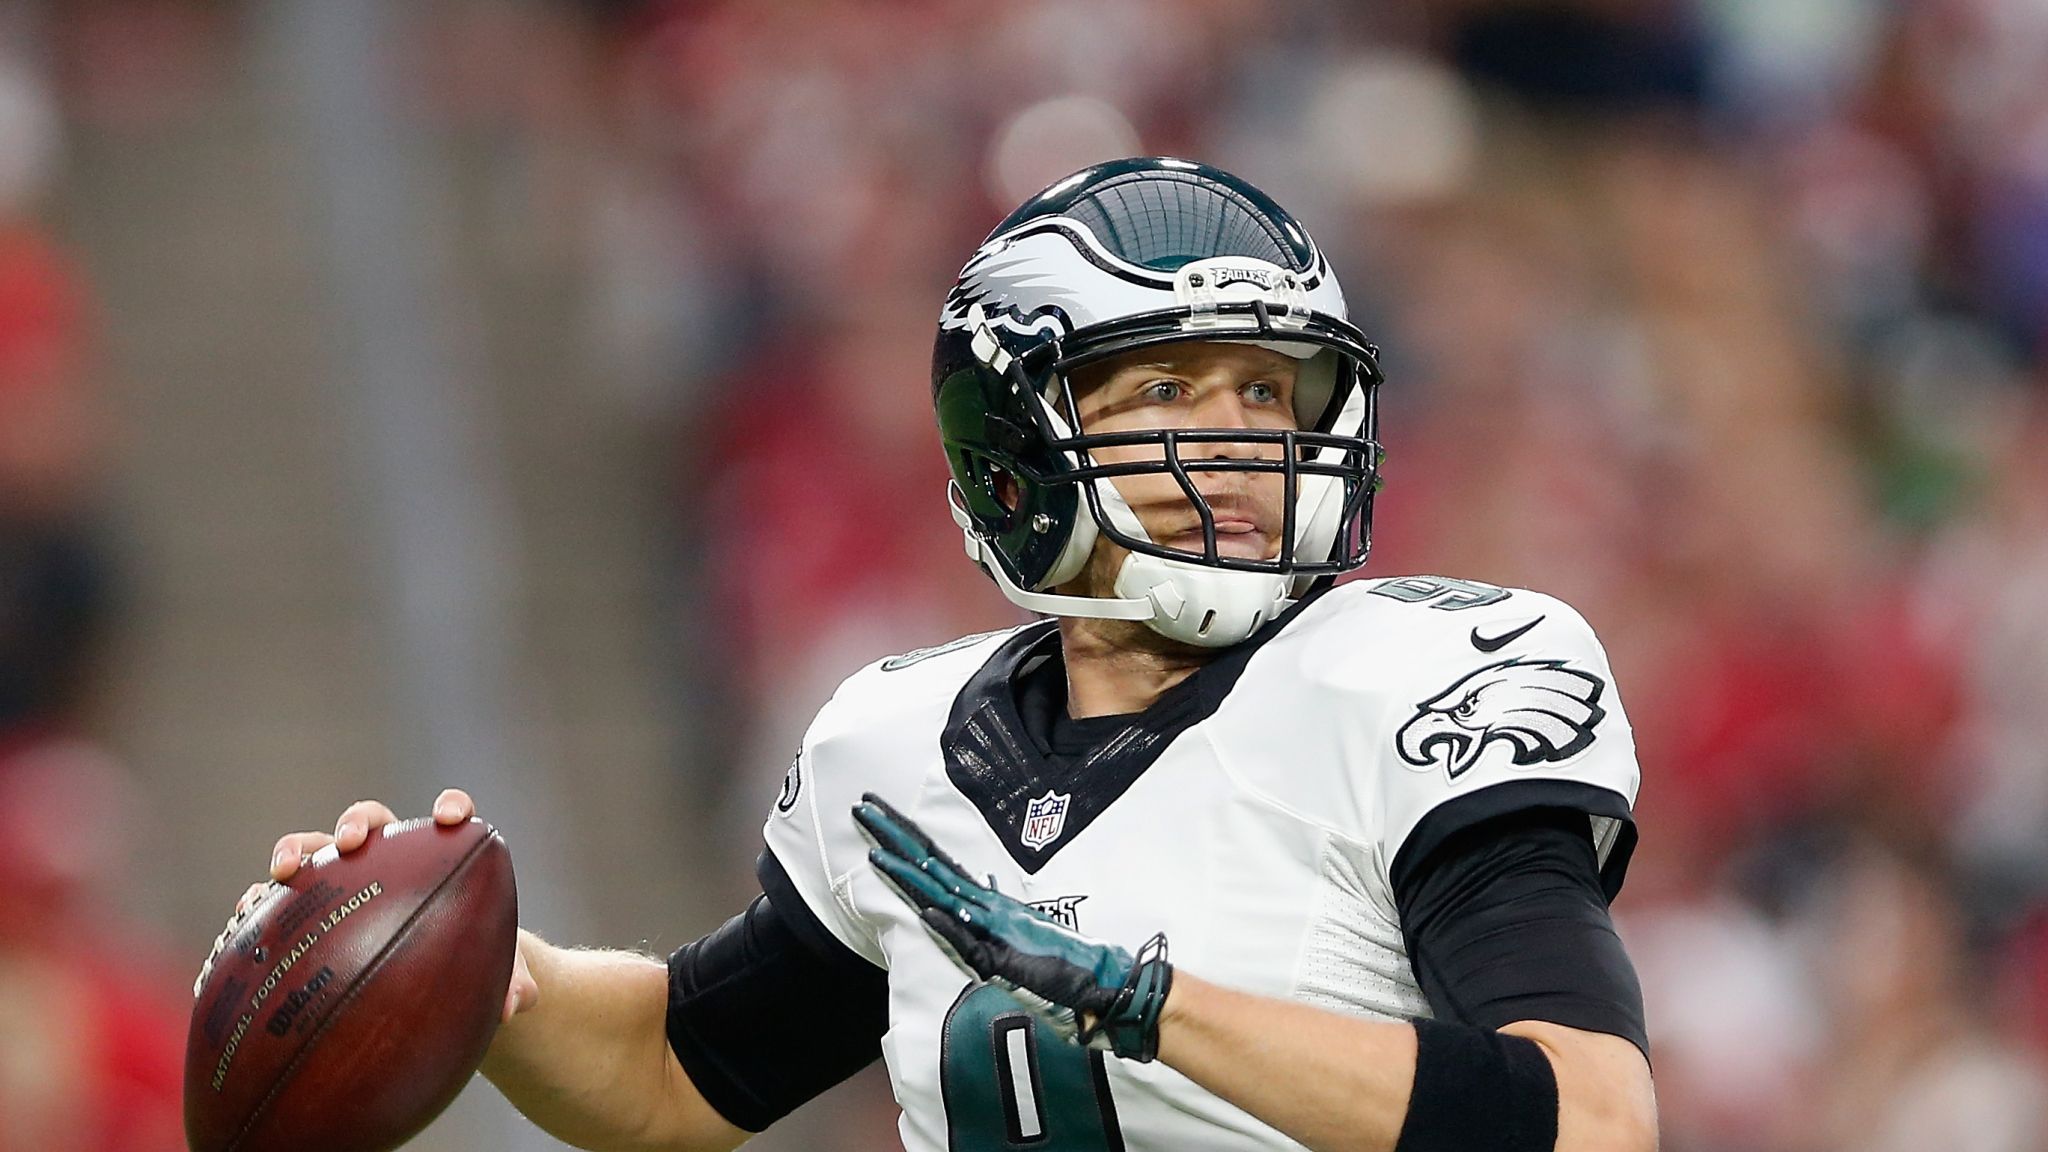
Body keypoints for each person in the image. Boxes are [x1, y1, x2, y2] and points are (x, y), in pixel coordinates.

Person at [228, 158, 1657, 1152]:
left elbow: (1586, 1121)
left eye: (1268, 394)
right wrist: (483, 974)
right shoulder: (899, 744)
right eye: (1167, 388)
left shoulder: (1419, 678)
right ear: (1017, 445)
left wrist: (1153, 1009)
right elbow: (682, 1072)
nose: (1234, 442)